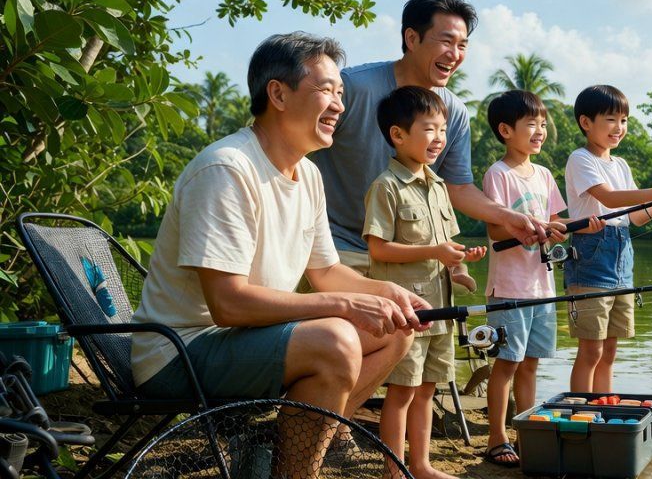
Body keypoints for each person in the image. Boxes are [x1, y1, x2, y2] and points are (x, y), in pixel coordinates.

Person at [131, 33, 429, 471]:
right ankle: (296, 468)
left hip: (240, 342)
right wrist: (343, 306)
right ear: (278, 94)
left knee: (396, 329)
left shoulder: (308, 174)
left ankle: (282, 444)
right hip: (181, 350)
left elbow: (328, 272)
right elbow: (228, 304)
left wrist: (390, 292)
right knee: (335, 340)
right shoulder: (228, 168)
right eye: (326, 90)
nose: (339, 106)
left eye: (340, 93)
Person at [310, 0, 548, 278]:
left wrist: (508, 217)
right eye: (446, 41)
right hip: (337, 252)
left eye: (462, 45)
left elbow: (457, 188)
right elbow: (298, 148)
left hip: (413, 259)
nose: (455, 54)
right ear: (412, 39)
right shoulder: (352, 88)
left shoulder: (455, 112)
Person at [364, 86, 486, 479]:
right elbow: (379, 250)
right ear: (398, 135)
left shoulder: (439, 187)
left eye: (443, 130)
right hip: (407, 314)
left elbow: (446, 246)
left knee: (428, 391)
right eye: (429, 129)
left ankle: (422, 464)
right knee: (400, 393)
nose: (439, 139)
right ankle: (394, 470)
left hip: (442, 311)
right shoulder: (386, 186)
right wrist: (436, 251)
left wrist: (461, 268)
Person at [479, 91, 595, 467]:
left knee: (531, 364)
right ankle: (497, 438)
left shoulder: (544, 174)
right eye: (531, 124)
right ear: (505, 130)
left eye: (543, 124)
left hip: (542, 288)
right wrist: (527, 228)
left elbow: (555, 221)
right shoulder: (498, 174)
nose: (540, 131)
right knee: (507, 364)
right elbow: (497, 232)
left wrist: (568, 229)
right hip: (509, 289)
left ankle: (525, 433)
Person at [563, 85, 652, 393]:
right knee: (591, 350)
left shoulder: (621, 164)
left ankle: (603, 406)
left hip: (622, 260)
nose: (619, 128)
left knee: (610, 351)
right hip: (590, 258)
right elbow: (609, 199)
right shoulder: (580, 158)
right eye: (611, 119)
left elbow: (636, 216)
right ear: (586, 123)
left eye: (624, 120)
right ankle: (580, 412)